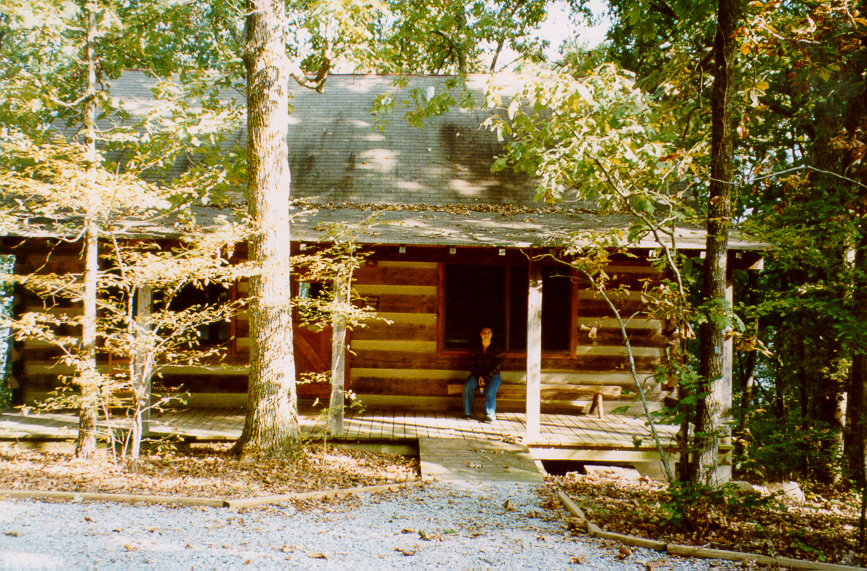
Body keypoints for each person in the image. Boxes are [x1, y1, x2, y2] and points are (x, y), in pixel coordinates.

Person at [463, 327, 503, 422]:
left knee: (490, 390)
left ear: (491, 335)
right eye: (484, 332)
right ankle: (467, 412)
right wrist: (479, 376)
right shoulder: (475, 348)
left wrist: (485, 378)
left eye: (488, 332)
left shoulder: (496, 348)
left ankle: (490, 414)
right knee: (467, 386)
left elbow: (497, 366)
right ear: (480, 335)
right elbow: (471, 364)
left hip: (493, 376)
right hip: (477, 375)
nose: (486, 334)